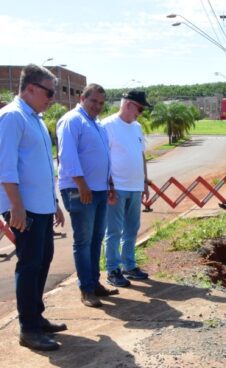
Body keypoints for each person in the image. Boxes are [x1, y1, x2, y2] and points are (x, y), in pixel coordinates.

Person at [0, 64, 65, 351]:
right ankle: (29, 328)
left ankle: (37, 317)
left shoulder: (35, 118)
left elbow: (43, 167)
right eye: (49, 91)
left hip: (42, 206)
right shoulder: (11, 117)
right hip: (25, 208)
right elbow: (4, 167)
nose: (52, 97)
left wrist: (54, 203)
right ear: (31, 88)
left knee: (43, 260)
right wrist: (16, 207)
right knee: (30, 265)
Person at [57, 83, 118, 308]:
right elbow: (68, 156)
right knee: (83, 241)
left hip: (100, 189)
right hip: (80, 190)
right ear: (82, 98)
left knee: (96, 239)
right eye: (93, 101)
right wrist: (82, 184)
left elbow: (104, 158)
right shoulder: (73, 120)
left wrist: (109, 183)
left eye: (101, 103)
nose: (97, 106)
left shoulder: (97, 124)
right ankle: (86, 289)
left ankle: (95, 283)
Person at [102, 90, 151, 287]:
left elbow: (141, 156)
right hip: (117, 187)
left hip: (135, 186)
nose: (141, 113)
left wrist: (145, 182)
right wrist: (110, 185)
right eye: (140, 108)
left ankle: (129, 265)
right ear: (129, 104)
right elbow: (103, 159)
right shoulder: (108, 126)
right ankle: (113, 269)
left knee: (132, 228)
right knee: (114, 231)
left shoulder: (137, 127)